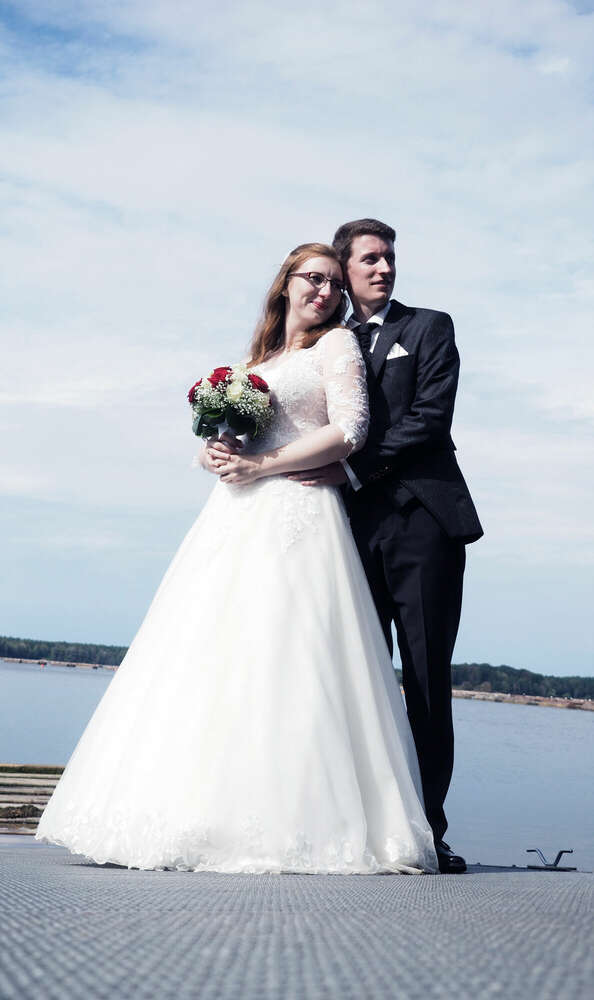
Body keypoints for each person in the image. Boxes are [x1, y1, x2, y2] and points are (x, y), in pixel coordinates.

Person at [35, 242, 438, 875]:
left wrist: (265, 466)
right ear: (284, 287)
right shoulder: (259, 361)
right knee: (213, 652)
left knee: (291, 653)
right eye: (314, 279)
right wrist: (218, 455)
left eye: (335, 283)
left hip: (299, 512)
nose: (325, 292)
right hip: (236, 515)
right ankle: (195, 807)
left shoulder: (336, 347)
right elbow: (220, 439)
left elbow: (349, 429)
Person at [288, 220, 483, 873]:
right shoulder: (322, 344)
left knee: (424, 681)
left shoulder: (430, 327)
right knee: (354, 678)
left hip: (423, 522)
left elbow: (431, 420)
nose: (384, 268)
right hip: (344, 531)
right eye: (370, 259)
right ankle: (360, 829)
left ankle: (430, 832)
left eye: (390, 257)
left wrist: (351, 469)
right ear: (345, 269)